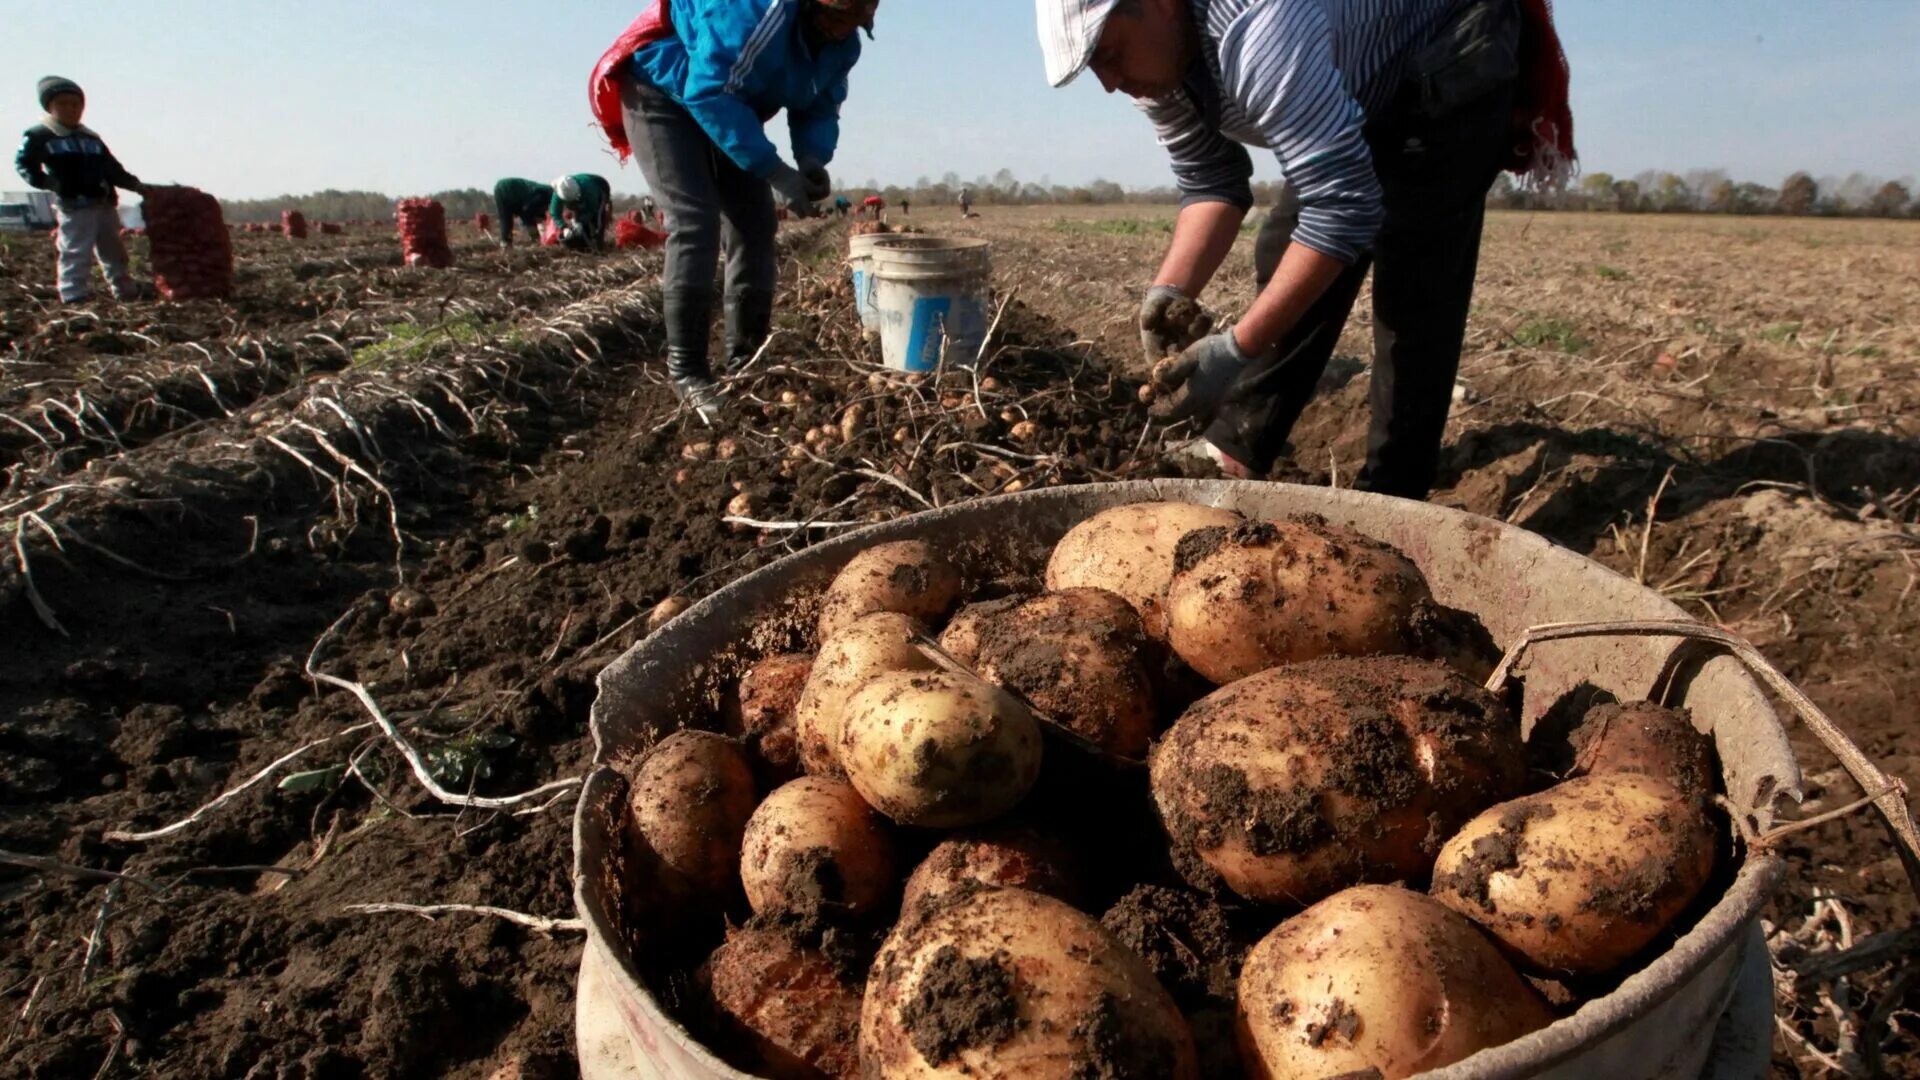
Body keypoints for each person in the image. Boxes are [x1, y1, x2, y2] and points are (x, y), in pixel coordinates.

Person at [1037, 0, 1573, 500]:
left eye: (1109, 55)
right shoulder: (1160, 69)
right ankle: (1238, 446)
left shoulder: (1258, 34)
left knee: (1414, 290)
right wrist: (1169, 291)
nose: (1110, 83)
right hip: (1357, 79)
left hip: (1452, 47)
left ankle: (1394, 490)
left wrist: (1235, 349)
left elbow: (1342, 211)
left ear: (1156, 3)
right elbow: (1211, 181)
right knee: (1285, 251)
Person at [590, 0, 879, 419]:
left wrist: (813, 158)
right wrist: (776, 172)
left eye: (853, 21)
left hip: (730, 106)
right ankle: (687, 371)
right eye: (836, 18)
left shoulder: (844, 46)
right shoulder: (756, 14)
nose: (841, 30)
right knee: (695, 222)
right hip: (665, 89)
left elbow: (819, 104)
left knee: (756, 224)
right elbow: (706, 91)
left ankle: (745, 362)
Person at [14, 76, 145, 304]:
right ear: (49, 107)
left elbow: (112, 168)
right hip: (74, 204)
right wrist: (49, 183)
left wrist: (135, 185)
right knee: (76, 250)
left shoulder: (90, 138)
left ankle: (125, 291)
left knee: (114, 251)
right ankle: (73, 294)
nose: (70, 109)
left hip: (103, 202)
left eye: (75, 104)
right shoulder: (40, 136)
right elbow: (24, 164)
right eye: (62, 104)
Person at [551, 173, 614, 251]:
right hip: (582, 197)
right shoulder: (557, 193)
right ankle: (583, 246)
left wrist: (581, 221)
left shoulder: (589, 188)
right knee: (580, 223)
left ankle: (599, 246)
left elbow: (592, 209)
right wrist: (564, 227)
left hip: (599, 188)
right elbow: (555, 213)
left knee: (598, 220)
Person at [492, 177, 554, 246]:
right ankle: (507, 243)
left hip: (503, 189)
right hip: (508, 189)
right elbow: (527, 211)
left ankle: (505, 243)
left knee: (505, 219)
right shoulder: (546, 195)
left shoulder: (546, 193)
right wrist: (535, 235)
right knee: (506, 219)